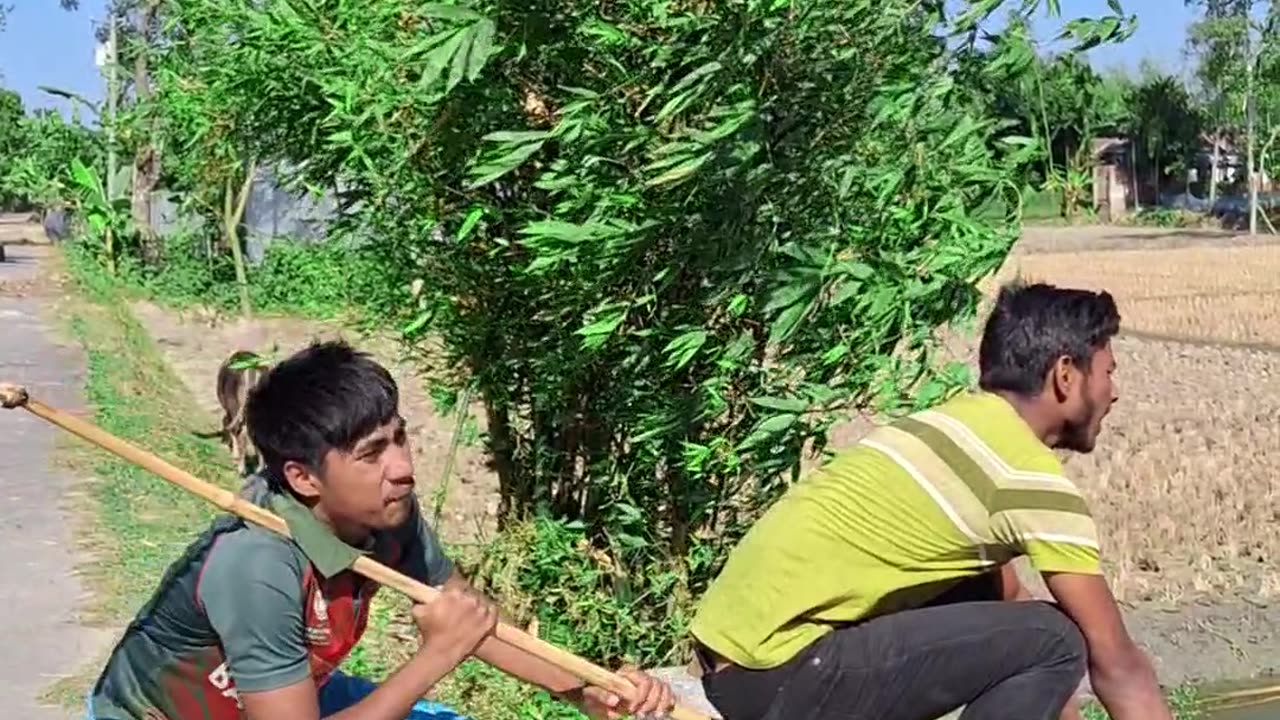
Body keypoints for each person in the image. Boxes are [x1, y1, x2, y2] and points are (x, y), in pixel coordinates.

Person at [86, 340, 676, 720]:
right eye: (372, 453)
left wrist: (585, 689)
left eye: (400, 436)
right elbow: (454, 637)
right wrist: (436, 655)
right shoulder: (258, 563)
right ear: (303, 477)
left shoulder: (387, 514)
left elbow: (474, 621)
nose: (403, 467)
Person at [688, 281, 1173, 720]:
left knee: (1006, 610)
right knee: (1058, 638)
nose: (1114, 393)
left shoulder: (950, 427)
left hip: (737, 665)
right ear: (1066, 375)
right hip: (779, 674)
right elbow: (1116, 662)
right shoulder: (1026, 478)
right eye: (1108, 371)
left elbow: (1007, 602)